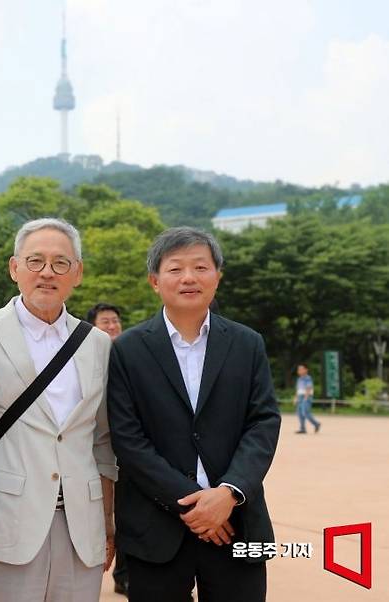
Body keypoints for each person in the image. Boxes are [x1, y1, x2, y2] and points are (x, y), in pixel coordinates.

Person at [108, 226, 281, 602]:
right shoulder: (127, 350)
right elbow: (127, 438)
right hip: (156, 529)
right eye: (175, 269)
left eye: (200, 267)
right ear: (155, 281)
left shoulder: (248, 344)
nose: (188, 277)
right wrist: (195, 502)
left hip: (238, 523)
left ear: (217, 276)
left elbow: (263, 423)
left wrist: (228, 495)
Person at [0, 217, 117, 602]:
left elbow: (103, 442)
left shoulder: (97, 344)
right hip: (6, 519)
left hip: (82, 521)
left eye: (61, 263)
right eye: (35, 261)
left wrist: (108, 523)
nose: (47, 272)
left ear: (77, 273)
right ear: (15, 268)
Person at [86, 302, 127, 595]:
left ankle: (125, 573)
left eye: (115, 321)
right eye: (105, 322)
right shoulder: (87, 356)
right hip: (97, 447)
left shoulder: (131, 355)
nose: (112, 326)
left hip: (127, 447)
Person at [294, 364, 321, 434]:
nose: (299, 371)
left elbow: (309, 388)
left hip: (305, 396)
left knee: (305, 412)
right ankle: (302, 428)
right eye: (299, 369)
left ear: (306, 370)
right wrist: (296, 398)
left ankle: (316, 424)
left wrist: (306, 398)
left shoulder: (307, 378)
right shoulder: (299, 379)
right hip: (300, 396)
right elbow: (298, 389)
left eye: (301, 369)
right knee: (299, 413)